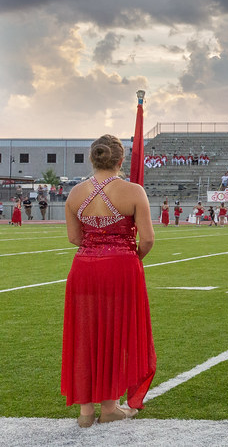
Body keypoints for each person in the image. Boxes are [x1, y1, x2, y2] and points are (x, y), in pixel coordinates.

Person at [61, 135, 156, 426]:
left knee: (85, 334)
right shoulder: (133, 190)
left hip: (84, 268)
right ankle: (110, 407)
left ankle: (85, 412)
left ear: (92, 159)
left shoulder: (75, 193)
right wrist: (131, 255)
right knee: (117, 333)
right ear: (120, 160)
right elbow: (148, 239)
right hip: (122, 267)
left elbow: (74, 238)